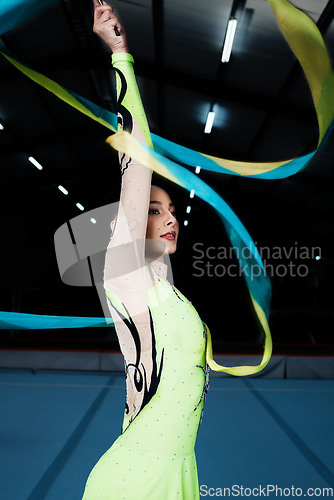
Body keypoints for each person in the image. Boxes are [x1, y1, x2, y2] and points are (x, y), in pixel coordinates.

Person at [82, 1, 209, 498]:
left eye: (173, 210)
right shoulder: (127, 269)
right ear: (126, 223)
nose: (171, 217)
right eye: (155, 209)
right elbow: (138, 157)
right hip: (139, 478)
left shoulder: (163, 285)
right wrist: (120, 55)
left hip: (179, 472)